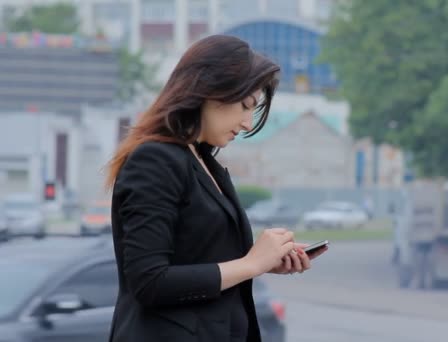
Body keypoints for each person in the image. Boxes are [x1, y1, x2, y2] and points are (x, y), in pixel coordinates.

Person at [104, 35, 327, 342]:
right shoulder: (155, 159)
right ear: (207, 91)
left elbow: (199, 256)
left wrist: (265, 260)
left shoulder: (203, 161)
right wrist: (250, 263)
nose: (248, 123)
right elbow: (150, 281)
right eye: (245, 105)